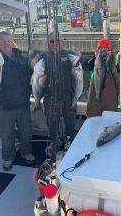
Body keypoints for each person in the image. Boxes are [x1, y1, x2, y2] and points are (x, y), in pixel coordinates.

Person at [36, 31, 80, 160]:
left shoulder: (69, 55)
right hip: (50, 99)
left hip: (69, 98)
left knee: (70, 126)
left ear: (63, 41)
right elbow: (32, 66)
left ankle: (70, 146)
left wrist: (79, 58)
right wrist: (32, 62)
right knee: (52, 126)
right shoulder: (43, 56)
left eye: (57, 40)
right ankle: (54, 147)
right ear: (48, 43)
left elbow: (78, 69)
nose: (55, 43)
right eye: (51, 41)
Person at [0, 31, 35, 171]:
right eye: (3, 41)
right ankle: (8, 157)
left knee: (26, 131)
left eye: (9, 40)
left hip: (23, 103)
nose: (6, 43)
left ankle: (26, 153)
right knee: (7, 135)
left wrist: (33, 63)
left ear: (12, 42)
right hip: (4, 106)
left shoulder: (20, 57)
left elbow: (30, 67)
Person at [86, 38, 119, 117]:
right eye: (100, 47)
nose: (103, 49)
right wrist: (95, 56)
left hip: (109, 96)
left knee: (109, 116)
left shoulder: (112, 60)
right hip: (95, 93)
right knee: (94, 114)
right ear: (97, 50)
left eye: (105, 47)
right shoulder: (95, 60)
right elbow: (89, 65)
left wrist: (110, 60)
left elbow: (116, 75)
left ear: (109, 49)